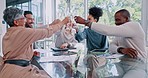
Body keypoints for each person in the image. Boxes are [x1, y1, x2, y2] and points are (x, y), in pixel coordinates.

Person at [74, 9, 147, 78]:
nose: (116, 23)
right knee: (97, 72)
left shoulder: (135, 26)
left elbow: (108, 31)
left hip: (138, 65)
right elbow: (111, 46)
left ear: (127, 19)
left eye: (118, 20)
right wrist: (121, 49)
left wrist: (85, 22)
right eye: (115, 20)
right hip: (122, 64)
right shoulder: (120, 33)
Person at [0, 7, 69, 78]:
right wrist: (62, 22)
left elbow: (16, 51)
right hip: (18, 72)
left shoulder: (9, 34)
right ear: (16, 22)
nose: (25, 20)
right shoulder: (22, 32)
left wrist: (29, 53)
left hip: (10, 70)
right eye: (23, 18)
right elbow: (46, 32)